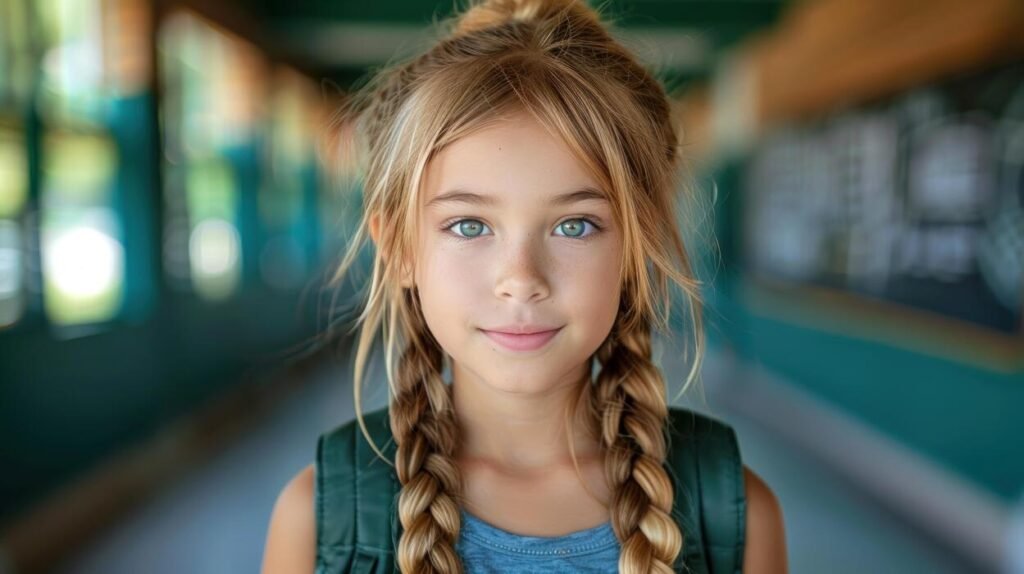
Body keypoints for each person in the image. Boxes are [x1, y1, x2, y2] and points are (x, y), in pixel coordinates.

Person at [262, 0, 787, 572]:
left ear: (640, 245)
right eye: (469, 226)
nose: (521, 280)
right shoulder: (319, 518)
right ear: (399, 249)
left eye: (574, 225)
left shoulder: (734, 512)